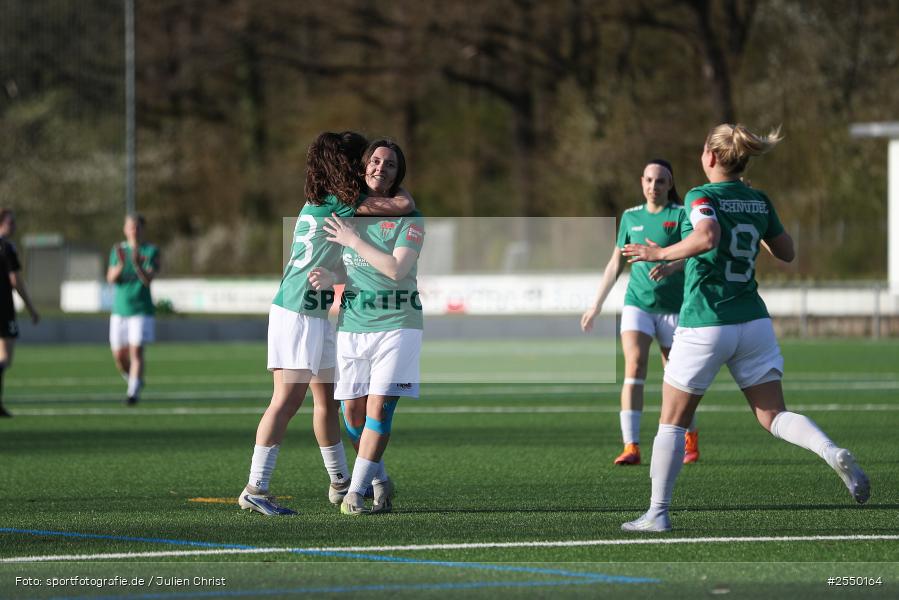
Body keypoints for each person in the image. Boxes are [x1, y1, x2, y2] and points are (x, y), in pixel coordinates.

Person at [619, 124, 870, 532]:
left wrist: (659, 252)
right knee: (773, 415)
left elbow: (707, 236)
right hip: (753, 322)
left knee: (672, 421)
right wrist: (752, 221)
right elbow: (787, 252)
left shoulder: (701, 195)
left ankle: (657, 514)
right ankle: (830, 451)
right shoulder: (758, 199)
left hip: (706, 321)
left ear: (711, 156)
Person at [238, 132, 415, 516]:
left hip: (310, 311)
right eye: (358, 158)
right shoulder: (342, 203)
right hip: (298, 311)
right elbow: (403, 204)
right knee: (285, 401)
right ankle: (256, 487)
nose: (362, 165)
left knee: (327, 401)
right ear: (343, 162)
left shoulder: (320, 200)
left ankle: (339, 482)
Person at [315, 138, 424, 515]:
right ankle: (379, 480)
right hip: (352, 325)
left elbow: (396, 269)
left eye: (390, 164)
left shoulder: (411, 219)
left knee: (379, 408)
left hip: (398, 325)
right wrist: (331, 276)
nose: (381, 168)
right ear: (364, 166)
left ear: (398, 174)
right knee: (352, 416)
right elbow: (348, 267)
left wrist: (352, 240)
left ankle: (355, 494)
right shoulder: (347, 212)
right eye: (375, 161)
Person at [581, 160, 702, 465]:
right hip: (638, 305)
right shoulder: (630, 217)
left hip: (675, 308)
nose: (653, 186)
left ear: (670, 184)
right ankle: (631, 446)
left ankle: (690, 438)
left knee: (678, 376)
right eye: (648, 180)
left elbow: (697, 254)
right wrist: (596, 304)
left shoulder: (681, 215)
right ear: (641, 182)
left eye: (660, 181)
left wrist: (672, 265)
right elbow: (615, 263)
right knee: (634, 366)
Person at [106, 214, 159, 406]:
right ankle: (135, 380)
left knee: (136, 351)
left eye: (137, 227)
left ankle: (132, 394)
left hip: (141, 310)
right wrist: (121, 265)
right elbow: (110, 278)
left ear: (143, 229)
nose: (134, 230)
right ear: (124, 229)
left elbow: (148, 279)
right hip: (120, 310)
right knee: (119, 357)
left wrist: (137, 264)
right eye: (130, 227)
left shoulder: (150, 251)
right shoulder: (118, 250)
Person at [0, 209, 40, 418]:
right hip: (3, 308)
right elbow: (15, 280)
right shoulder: (7, 247)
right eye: (11, 223)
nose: (14, 226)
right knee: (5, 358)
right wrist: (31, 308)